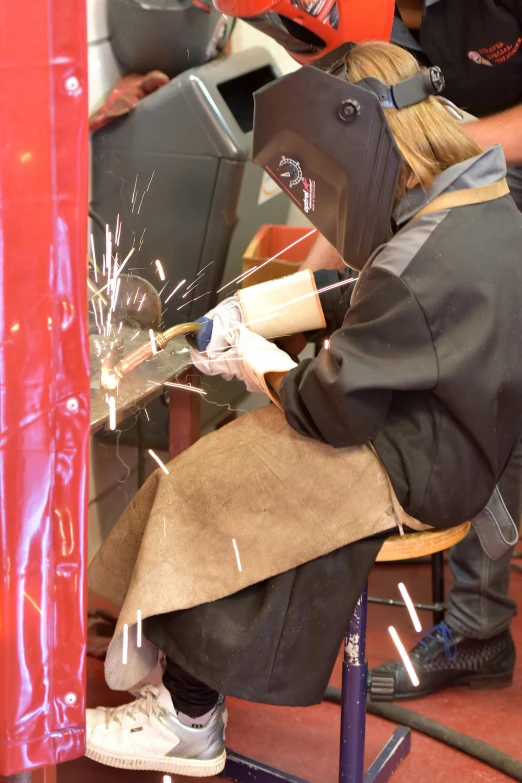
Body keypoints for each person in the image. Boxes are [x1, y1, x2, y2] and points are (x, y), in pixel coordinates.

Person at [86, 42, 522, 775]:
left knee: (216, 487)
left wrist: (258, 363)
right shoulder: (474, 199)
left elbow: (329, 409)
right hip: (455, 430)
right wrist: (259, 308)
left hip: (418, 461)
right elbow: (380, 287)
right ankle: (163, 636)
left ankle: (187, 716)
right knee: (238, 452)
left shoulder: (420, 267)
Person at [229, 0, 522, 698]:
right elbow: (358, 174)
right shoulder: (357, 14)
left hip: (492, 177)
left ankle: (478, 625)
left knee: (487, 378)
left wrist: (425, 140)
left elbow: (402, 151)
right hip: (443, 167)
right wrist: (304, 289)